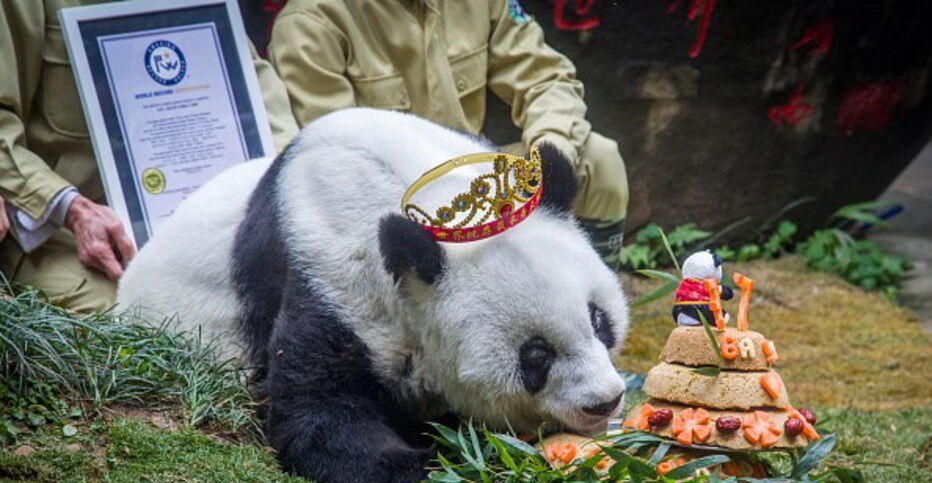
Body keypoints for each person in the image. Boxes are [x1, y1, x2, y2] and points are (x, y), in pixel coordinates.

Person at [267, 0, 628, 268]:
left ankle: (595, 333)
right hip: (391, 216)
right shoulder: (310, 24)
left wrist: (547, 161)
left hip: (477, 185)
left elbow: (546, 79)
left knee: (599, 160)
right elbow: (336, 164)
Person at [0, 1, 299, 312]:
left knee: (292, 311)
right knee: (144, 329)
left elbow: (257, 88)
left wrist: (280, 179)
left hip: (215, 225)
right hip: (67, 233)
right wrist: (71, 208)